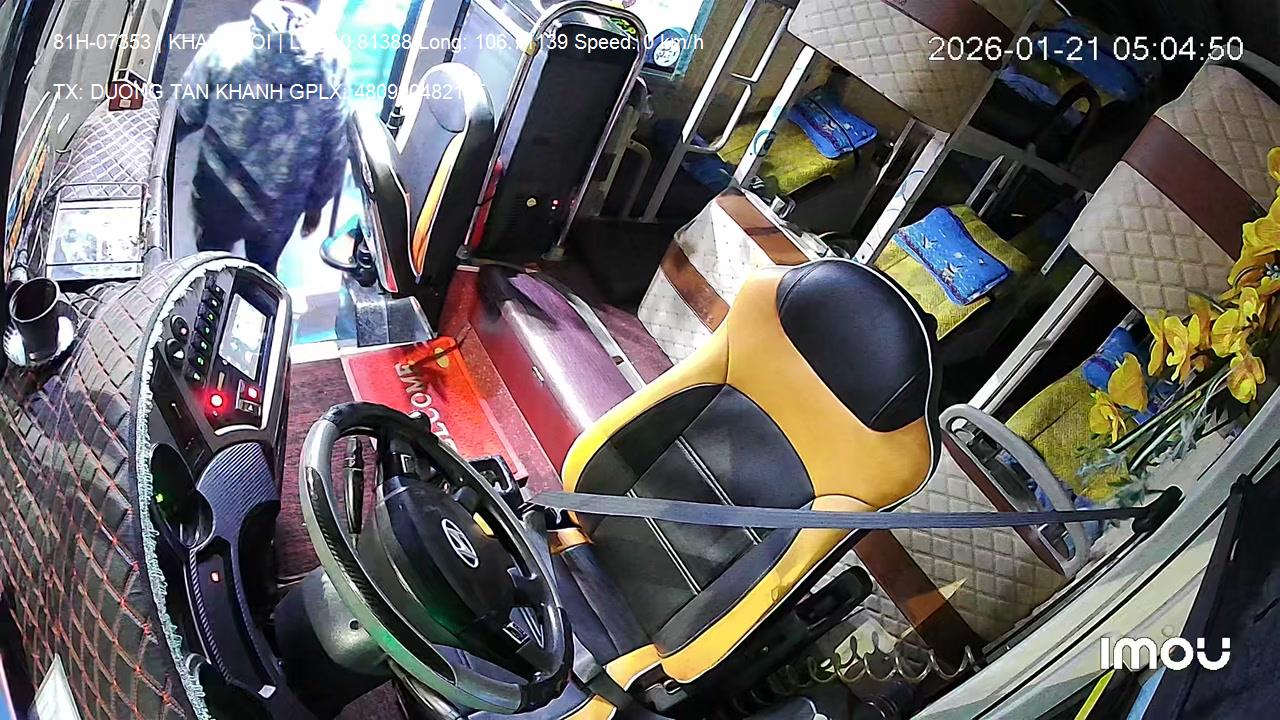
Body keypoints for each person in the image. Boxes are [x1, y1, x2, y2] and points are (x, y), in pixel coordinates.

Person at [176, 0, 350, 275]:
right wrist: (316, 204)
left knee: (210, 265)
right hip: (281, 208)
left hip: (218, 195)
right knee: (264, 272)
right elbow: (335, 147)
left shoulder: (227, 41)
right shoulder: (334, 62)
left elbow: (187, 111)